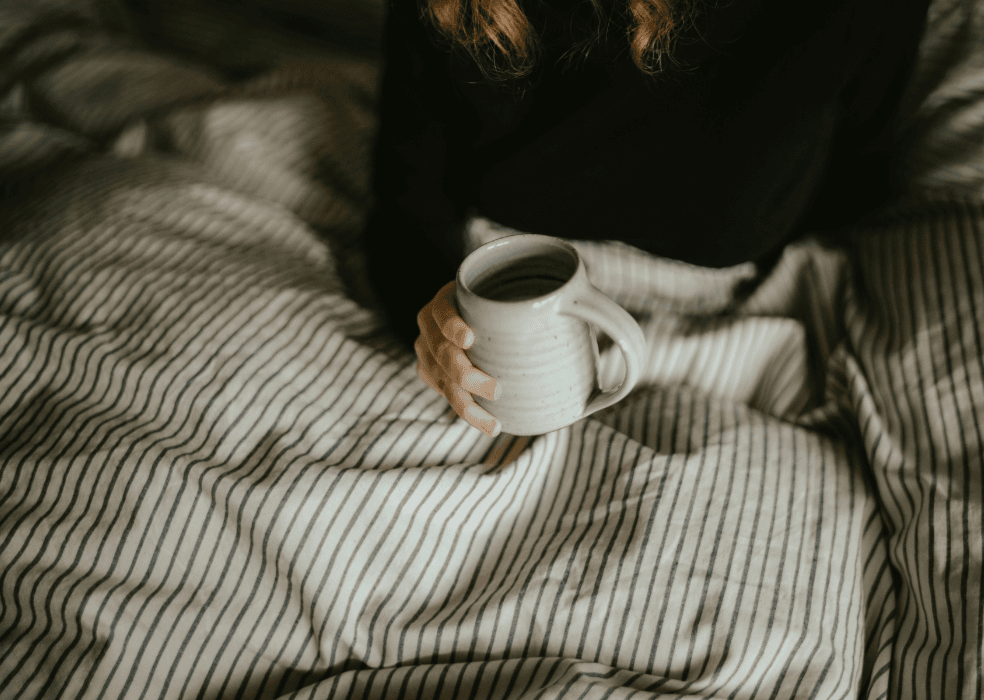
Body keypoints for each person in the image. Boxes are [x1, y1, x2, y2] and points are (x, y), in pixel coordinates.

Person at [361, 0, 930, 437]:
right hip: (494, 317)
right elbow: (407, 212)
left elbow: (857, 190)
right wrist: (436, 322)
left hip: (738, 328)